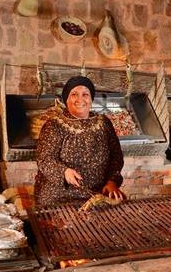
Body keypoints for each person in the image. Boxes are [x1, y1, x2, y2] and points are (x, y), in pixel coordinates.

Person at [33, 76, 126, 207]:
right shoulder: (54, 125)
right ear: (66, 99)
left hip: (96, 195)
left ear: (91, 98)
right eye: (74, 94)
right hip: (60, 198)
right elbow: (44, 158)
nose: (80, 99)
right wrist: (64, 171)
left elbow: (116, 156)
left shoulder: (104, 123)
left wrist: (112, 181)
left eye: (85, 94)